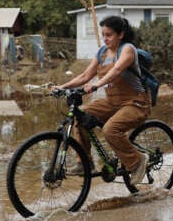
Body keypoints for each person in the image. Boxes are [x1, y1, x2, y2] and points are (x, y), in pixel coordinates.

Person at [52, 15, 151, 185]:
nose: (105, 39)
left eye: (109, 35)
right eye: (103, 34)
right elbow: (85, 76)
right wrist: (62, 87)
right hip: (112, 103)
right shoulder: (102, 53)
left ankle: (137, 161)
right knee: (79, 116)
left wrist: (96, 85)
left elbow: (117, 70)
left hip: (135, 103)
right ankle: (85, 163)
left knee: (110, 130)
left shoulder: (127, 49)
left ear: (120, 34)